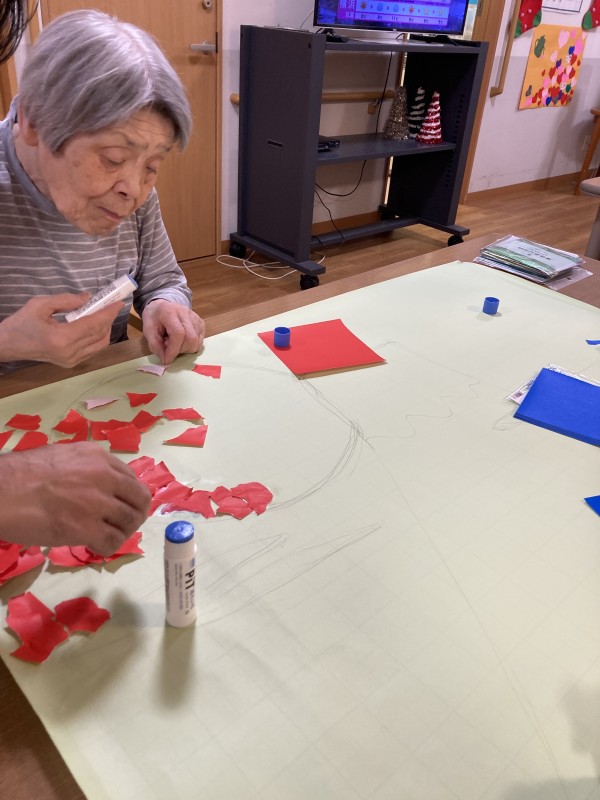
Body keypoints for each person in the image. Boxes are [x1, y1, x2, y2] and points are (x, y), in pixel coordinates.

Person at [0, 7, 209, 553]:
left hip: (108, 408)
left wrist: (165, 305)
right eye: (113, 158)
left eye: (153, 166)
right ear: (33, 122)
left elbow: (163, 278)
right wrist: (9, 342)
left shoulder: (132, 194)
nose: (133, 190)